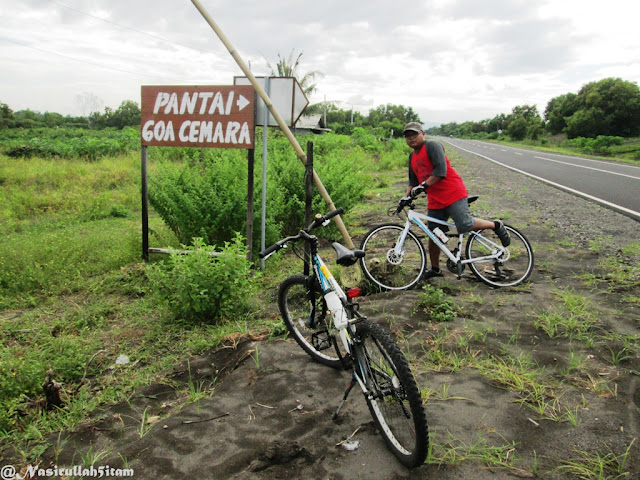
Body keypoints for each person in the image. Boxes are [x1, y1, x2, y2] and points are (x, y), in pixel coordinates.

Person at [401, 121, 510, 279]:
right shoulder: (412, 157)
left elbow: (440, 171)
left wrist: (423, 186)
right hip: (435, 200)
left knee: (464, 224)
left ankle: (495, 224)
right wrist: (405, 197)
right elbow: (413, 183)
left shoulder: (432, 146)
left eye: (414, 135)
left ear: (423, 134)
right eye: (407, 136)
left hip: (453, 193)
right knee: (433, 235)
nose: (411, 138)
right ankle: (435, 269)